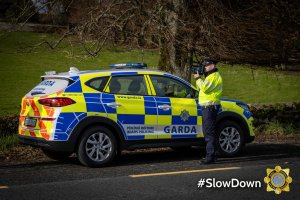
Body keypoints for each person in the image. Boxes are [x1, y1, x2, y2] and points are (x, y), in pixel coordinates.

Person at [194, 58, 223, 164]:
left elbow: (205, 88)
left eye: (206, 65)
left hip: (209, 107)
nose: (204, 67)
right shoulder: (210, 76)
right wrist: (200, 79)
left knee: (209, 133)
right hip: (209, 107)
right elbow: (202, 90)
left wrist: (198, 79)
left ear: (213, 65)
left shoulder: (213, 77)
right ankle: (213, 155)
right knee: (210, 132)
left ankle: (210, 157)